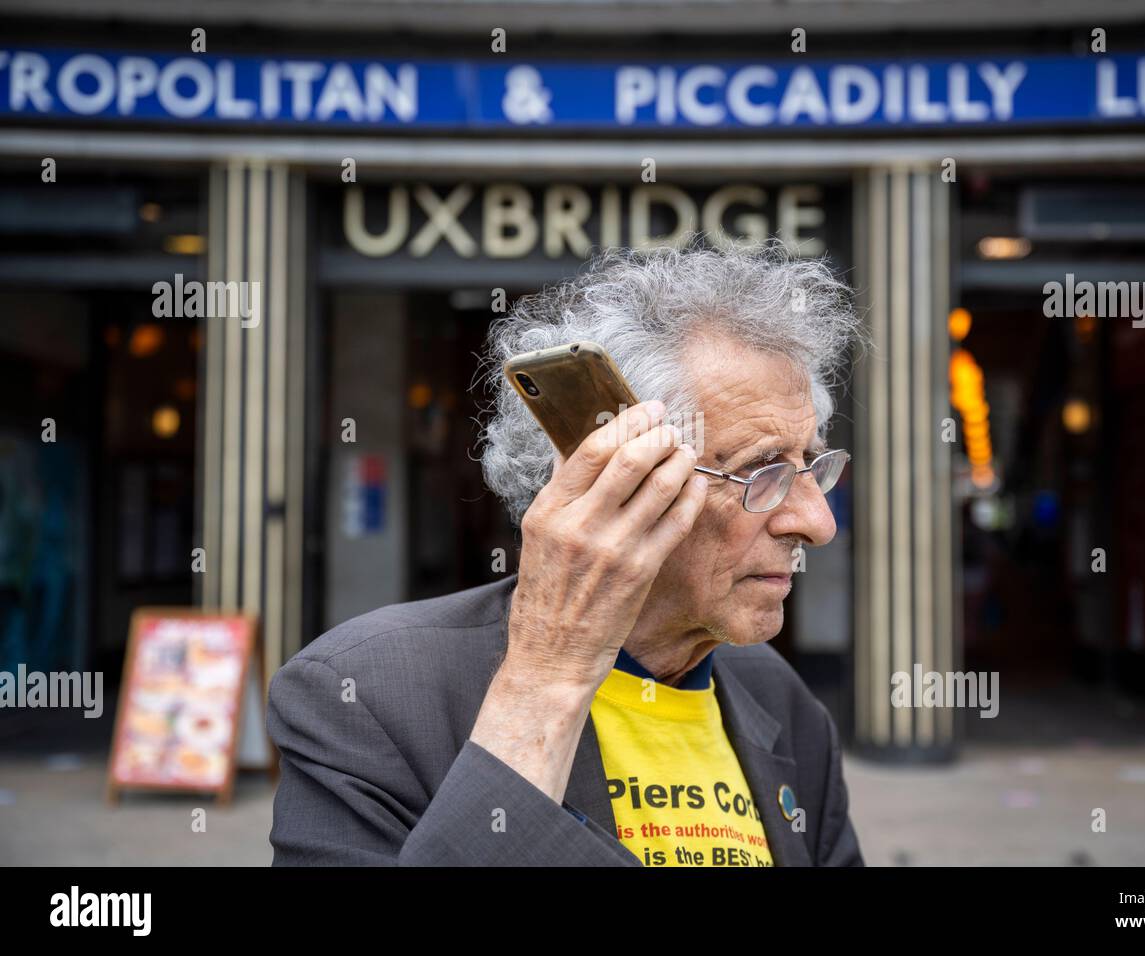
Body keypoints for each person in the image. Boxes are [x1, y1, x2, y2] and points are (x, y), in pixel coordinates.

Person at [268, 234, 866, 866]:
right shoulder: (361, 696)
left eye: (811, 464)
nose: (817, 523)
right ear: (618, 479)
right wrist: (548, 679)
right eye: (763, 471)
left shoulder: (782, 699)